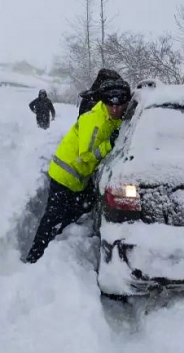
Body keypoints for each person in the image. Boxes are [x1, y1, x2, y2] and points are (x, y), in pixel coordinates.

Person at [24, 79, 132, 263]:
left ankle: (59, 238)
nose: (115, 109)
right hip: (65, 174)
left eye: (119, 105)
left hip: (77, 177)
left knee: (80, 207)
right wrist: (109, 143)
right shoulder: (95, 121)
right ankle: (35, 256)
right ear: (104, 102)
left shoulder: (113, 118)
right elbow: (86, 156)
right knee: (52, 217)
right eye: (110, 105)